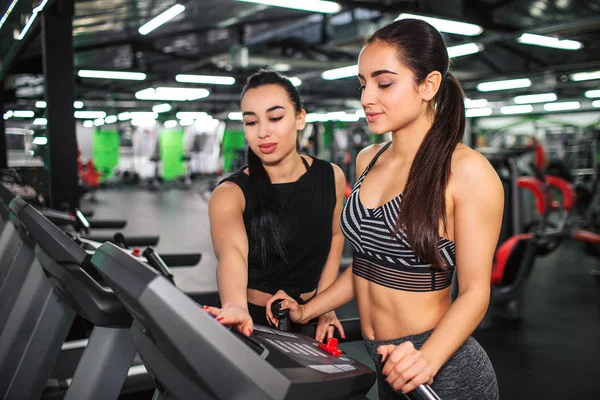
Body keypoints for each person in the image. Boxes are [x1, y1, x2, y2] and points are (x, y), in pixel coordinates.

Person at [266, 19, 503, 400]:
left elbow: (475, 292)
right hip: (385, 363)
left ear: (429, 85)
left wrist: (427, 359)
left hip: (439, 368)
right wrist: (308, 309)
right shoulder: (368, 159)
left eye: (384, 82)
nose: (366, 97)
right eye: (362, 84)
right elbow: (367, 267)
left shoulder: (467, 171)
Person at [206, 69, 347, 343]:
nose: (262, 133)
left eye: (275, 118)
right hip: (252, 321)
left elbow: (335, 235)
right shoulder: (230, 194)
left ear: (299, 118)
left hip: (309, 317)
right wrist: (235, 305)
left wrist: (326, 304)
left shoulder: (331, 176)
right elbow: (231, 254)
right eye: (251, 122)